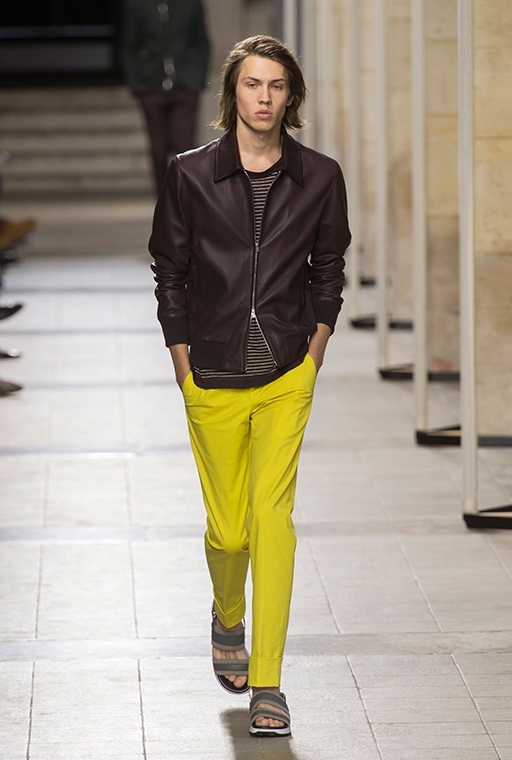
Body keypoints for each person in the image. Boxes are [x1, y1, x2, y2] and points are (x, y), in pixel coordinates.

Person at [149, 35, 350, 737]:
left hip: (286, 374)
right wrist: (182, 364)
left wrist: (315, 350)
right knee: (230, 531)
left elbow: (329, 267)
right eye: (252, 85)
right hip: (210, 374)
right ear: (231, 93)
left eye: (276, 86)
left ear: (291, 97)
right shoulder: (189, 173)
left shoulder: (320, 176)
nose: (263, 98)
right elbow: (169, 270)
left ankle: (268, 681)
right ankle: (227, 615)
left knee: (272, 523)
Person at [121, 0, 210, 194]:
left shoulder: (191, 4)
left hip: (185, 86)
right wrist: (138, 84)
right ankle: (164, 199)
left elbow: (201, 42)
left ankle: (187, 197)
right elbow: (130, 45)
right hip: (151, 87)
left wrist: (196, 78)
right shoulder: (139, 6)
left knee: (185, 146)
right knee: (158, 149)